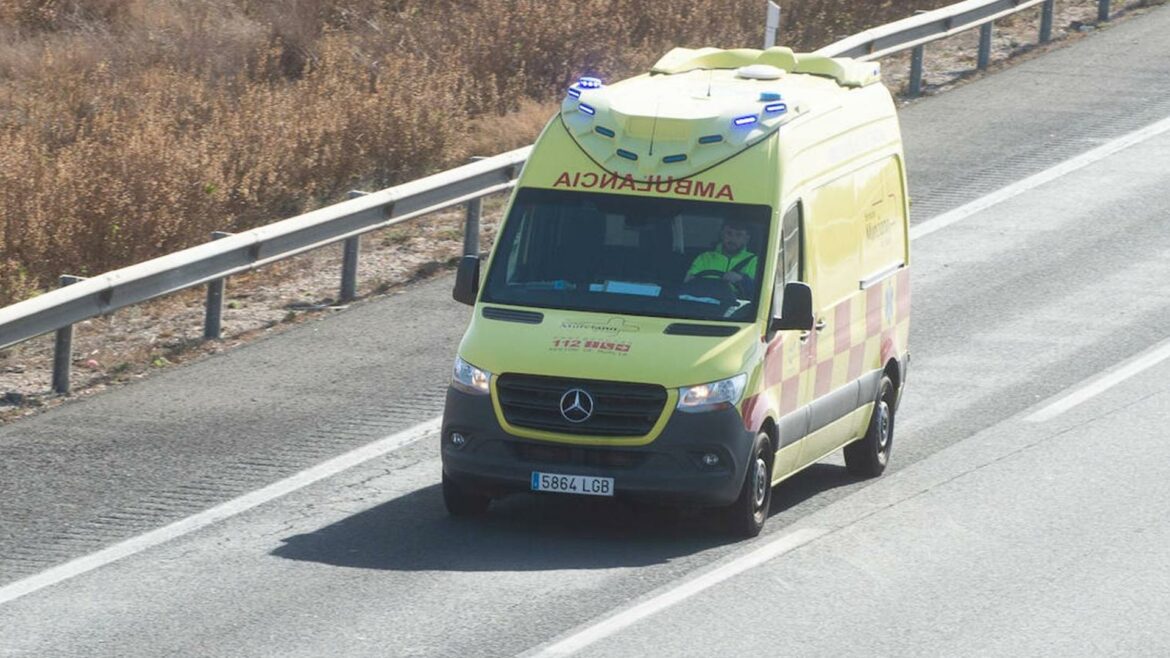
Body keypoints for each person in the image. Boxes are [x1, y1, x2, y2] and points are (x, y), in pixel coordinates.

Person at [685, 219, 758, 297]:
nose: (732, 239)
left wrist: (741, 280)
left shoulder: (755, 261)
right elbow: (688, 283)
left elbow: (759, 294)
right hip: (704, 303)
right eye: (729, 233)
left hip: (737, 307)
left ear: (746, 239)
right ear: (722, 234)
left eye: (738, 235)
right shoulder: (704, 258)